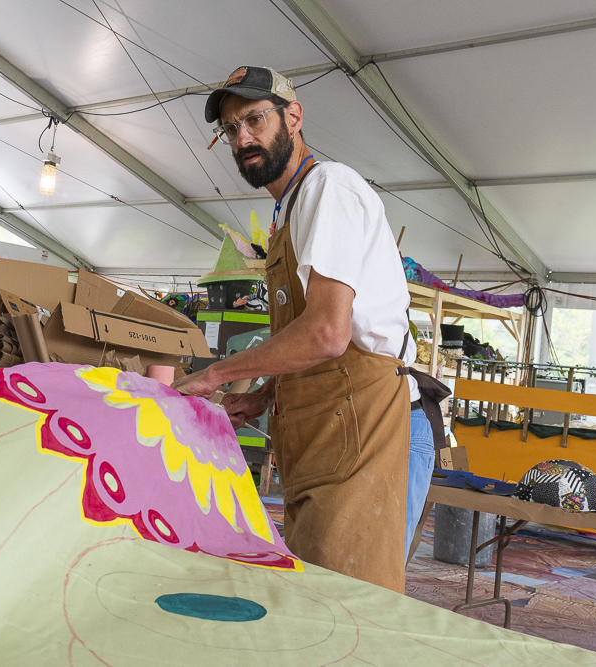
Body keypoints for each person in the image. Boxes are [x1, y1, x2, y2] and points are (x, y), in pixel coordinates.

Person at [171, 66, 434, 594]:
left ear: (292, 116)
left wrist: (216, 375)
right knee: (319, 592)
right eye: (230, 129)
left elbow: (328, 334)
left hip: (367, 421)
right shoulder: (289, 207)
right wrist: (267, 393)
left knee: (350, 603)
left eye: (254, 119)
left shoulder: (328, 188)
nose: (242, 137)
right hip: (333, 423)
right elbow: (319, 338)